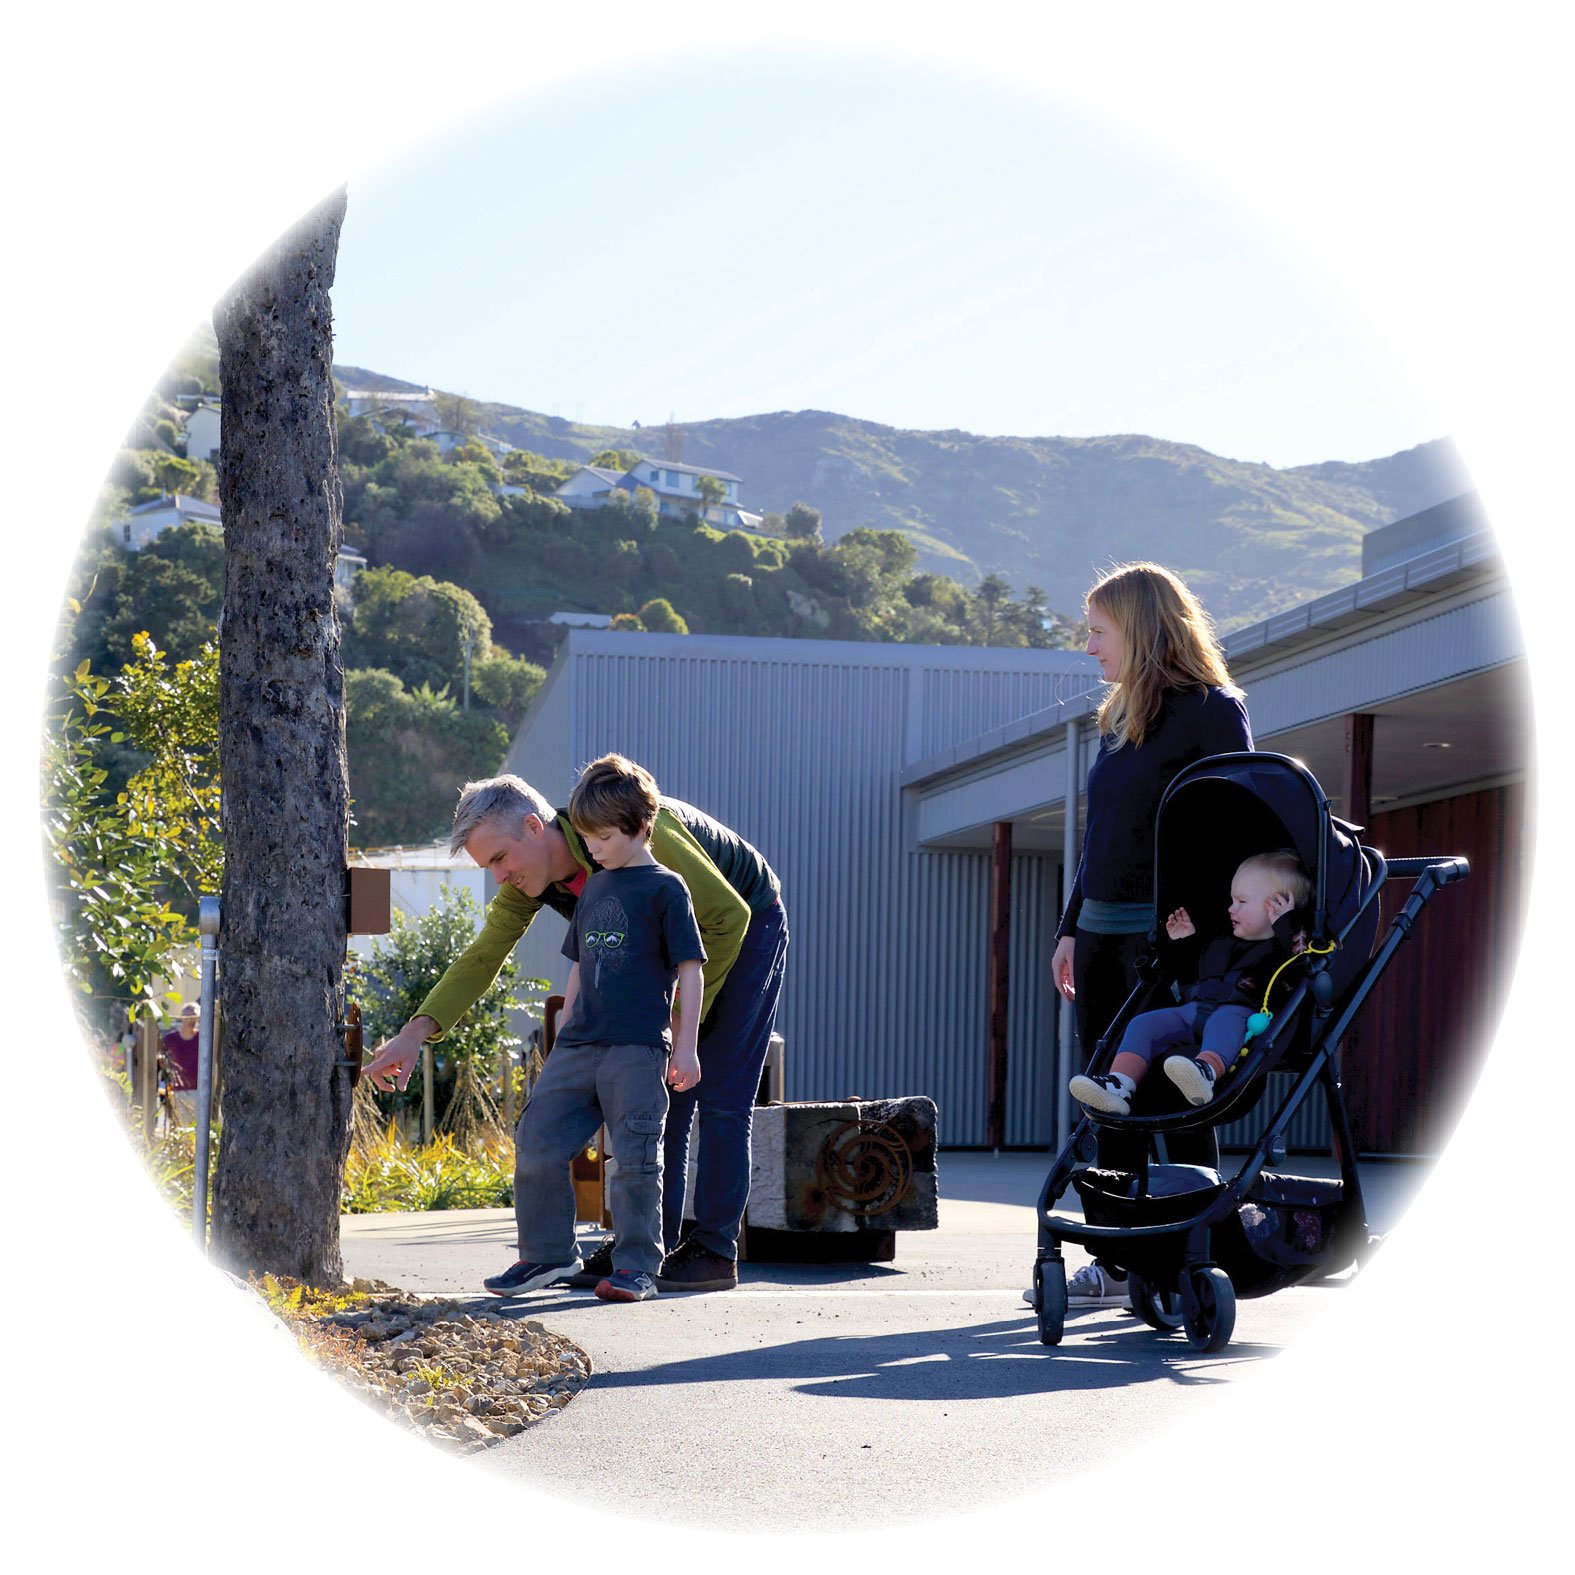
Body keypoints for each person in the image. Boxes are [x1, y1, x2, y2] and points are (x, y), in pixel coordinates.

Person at [361, 767, 788, 1294]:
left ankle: (715, 1250)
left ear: (536, 828)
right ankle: (649, 1245)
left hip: (745, 927)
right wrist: (413, 1033)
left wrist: (683, 1027)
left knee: (720, 1093)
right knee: (660, 1103)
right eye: (486, 866)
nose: (498, 876)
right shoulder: (530, 884)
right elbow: (483, 955)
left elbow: (727, 916)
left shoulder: (637, 834)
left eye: (499, 858)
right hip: (680, 951)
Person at [1039, 561, 1253, 1309]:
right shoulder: (1117, 714)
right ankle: (1116, 1261)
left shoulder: (1211, 710)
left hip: (1166, 950)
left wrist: (1202, 920)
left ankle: (1194, 1258)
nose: (1090, 647)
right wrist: (1069, 928)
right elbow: (1101, 835)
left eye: (1098, 631)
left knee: (1179, 1107)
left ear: (1140, 627)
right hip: (1098, 940)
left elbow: (1236, 827)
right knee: (1109, 1106)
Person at [477, 753, 705, 1303]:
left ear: (639, 826)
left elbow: (690, 971)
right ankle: (547, 1255)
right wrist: (560, 1042)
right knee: (536, 1140)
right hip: (580, 1046)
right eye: (586, 837)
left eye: (602, 837)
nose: (593, 848)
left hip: (637, 1048)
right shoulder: (595, 888)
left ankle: (636, 1267)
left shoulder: (667, 889)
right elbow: (580, 966)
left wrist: (687, 1048)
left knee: (634, 1160)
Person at [1069, 850, 1310, 1116]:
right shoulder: (1220, 942)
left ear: (1277, 905)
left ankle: (1204, 1071)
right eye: (1232, 900)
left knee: (1226, 1019)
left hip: (1240, 1015)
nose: (1231, 908)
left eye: (1242, 901)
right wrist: (1184, 943)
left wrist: (1288, 924)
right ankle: (1119, 1084)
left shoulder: (1284, 948)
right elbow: (1189, 976)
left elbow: (1299, 967)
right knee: (1144, 1023)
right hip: (1193, 1011)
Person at [160, 1002, 201, 1127]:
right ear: (182, 1017)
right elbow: (161, 1057)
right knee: (182, 1128)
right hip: (179, 1091)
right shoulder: (170, 1040)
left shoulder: (203, 1038)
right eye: (188, 1016)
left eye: (194, 1016)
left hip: (200, 1090)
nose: (191, 1020)